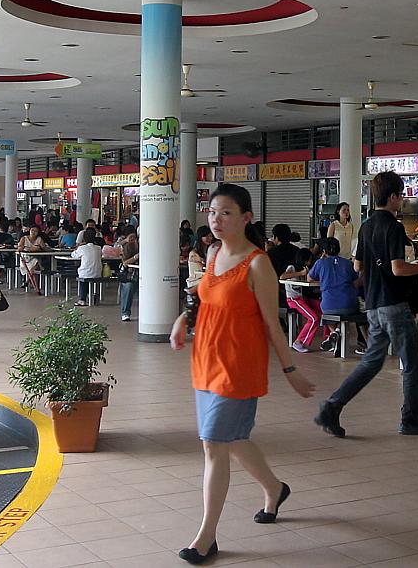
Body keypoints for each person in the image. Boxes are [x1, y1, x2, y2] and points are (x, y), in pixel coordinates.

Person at [169, 183, 315, 565]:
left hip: (238, 365)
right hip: (206, 360)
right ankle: (275, 488)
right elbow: (203, 296)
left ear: (246, 218)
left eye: (226, 213)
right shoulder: (214, 252)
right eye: (213, 211)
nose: (216, 219)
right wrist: (184, 319)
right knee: (231, 440)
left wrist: (290, 369)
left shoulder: (257, 263)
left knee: (214, 444)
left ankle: (206, 538)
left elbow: (272, 322)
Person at [315, 171, 418, 438]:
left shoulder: (366, 225)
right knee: (411, 364)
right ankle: (411, 418)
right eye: (401, 195)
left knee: (372, 362)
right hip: (395, 304)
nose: (402, 200)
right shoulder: (394, 227)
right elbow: (398, 269)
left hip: (373, 304)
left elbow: (357, 264)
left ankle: (332, 406)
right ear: (394, 196)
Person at [312, 237, 365, 355]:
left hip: (328, 306)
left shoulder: (320, 263)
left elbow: (310, 277)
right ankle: (336, 334)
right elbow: (356, 281)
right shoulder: (348, 263)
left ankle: (335, 332)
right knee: (349, 312)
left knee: (327, 313)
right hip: (349, 305)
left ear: (324, 251)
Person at [117, 225, 140, 321]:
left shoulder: (141, 244)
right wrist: (136, 257)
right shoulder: (126, 246)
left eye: (134, 237)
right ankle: (125, 312)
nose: (133, 240)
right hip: (129, 275)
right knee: (128, 286)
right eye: (131, 238)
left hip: (140, 272)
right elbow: (125, 262)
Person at [16, 226, 47, 294]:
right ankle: (36, 288)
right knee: (35, 267)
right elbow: (19, 249)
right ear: (29, 231)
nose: (33, 232)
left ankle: (28, 281)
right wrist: (28, 248)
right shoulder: (24, 238)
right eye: (32, 230)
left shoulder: (39, 239)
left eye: (36, 231)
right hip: (25, 259)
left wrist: (40, 247)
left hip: (35, 258)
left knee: (36, 262)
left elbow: (44, 248)